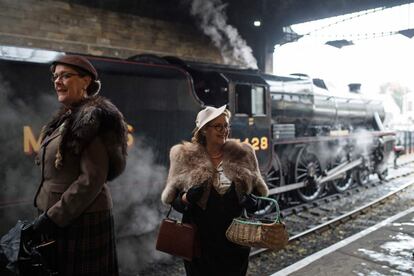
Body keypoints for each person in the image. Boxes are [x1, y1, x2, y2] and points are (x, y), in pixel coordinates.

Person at [31, 55, 128, 275]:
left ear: (86, 81)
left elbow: (92, 179)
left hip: (79, 218)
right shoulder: (67, 118)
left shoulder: (92, 118)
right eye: (55, 76)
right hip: (60, 216)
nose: (57, 81)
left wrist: (53, 217)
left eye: (65, 76)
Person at [161, 105, 269, 276]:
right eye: (218, 126)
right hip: (200, 243)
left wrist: (254, 202)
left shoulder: (244, 154)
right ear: (204, 130)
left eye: (226, 125)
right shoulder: (183, 156)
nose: (224, 130)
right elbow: (172, 200)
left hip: (235, 242)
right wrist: (186, 198)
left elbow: (259, 195)